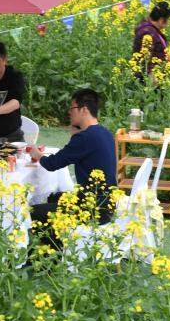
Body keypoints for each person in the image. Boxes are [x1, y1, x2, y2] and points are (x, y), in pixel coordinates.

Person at [30, 89, 117, 230]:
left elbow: (52, 163)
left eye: (72, 108)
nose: (69, 112)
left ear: (84, 109)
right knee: (54, 198)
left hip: (93, 210)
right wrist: (76, 135)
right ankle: (57, 241)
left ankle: (50, 249)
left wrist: (37, 154)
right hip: (107, 205)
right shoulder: (105, 132)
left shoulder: (85, 138)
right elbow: (76, 152)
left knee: (34, 212)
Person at [132, 1, 170, 86]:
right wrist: (153, 79)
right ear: (161, 20)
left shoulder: (147, 25)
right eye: (167, 20)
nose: (167, 23)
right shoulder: (149, 33)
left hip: (156, 72)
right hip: (151, 77)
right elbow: (146, 58)